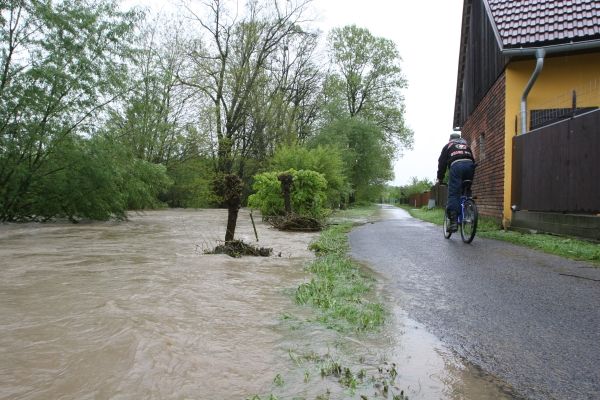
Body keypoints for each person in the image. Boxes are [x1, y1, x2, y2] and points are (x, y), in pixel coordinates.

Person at [436, 133, 475, 232]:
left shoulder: (448, 146)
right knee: (466, 189)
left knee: (453, 193)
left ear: (450, 139)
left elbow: (442, 163)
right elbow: (472, 159)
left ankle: (453, 222)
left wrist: (440, 178)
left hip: (457, 166)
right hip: (470, 166)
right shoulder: (466, 146)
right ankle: (469, 212)